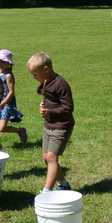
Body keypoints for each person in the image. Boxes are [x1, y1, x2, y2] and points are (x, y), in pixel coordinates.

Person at [27, 52, 75, 194]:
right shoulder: (46, 81)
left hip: (61, 126)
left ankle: (46, 192)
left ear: (46, 69)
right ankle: (64, 185)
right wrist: (44, 104)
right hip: (49, 125)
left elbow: (68, 107)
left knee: (52, 157)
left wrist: (50, 112)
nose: (34, 77)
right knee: (46, 158)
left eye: (35, 74)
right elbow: (49, 97)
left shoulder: (61, 84)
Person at [0, 49, 28, 147]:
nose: (1, 64)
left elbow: (11, 91)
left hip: (6, 103)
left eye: (3, 61)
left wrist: (3, 103)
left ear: (9, 63)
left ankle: (20, 131)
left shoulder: (8, 75)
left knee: (1, 128)